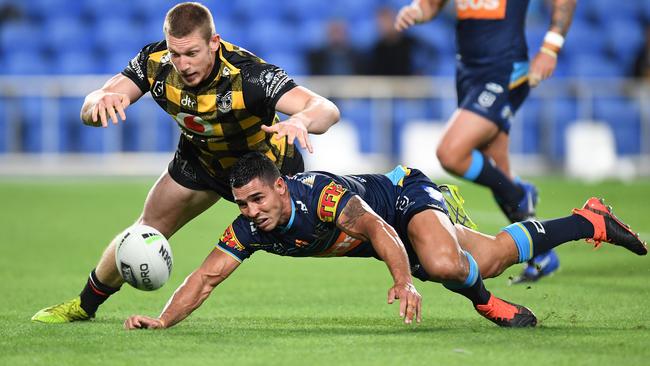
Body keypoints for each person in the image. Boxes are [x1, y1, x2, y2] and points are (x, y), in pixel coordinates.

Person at [31, 2, 340, 323]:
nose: (183, 64)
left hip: (262, 174)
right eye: (175, 54)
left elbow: (325, 108)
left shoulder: (248, 76)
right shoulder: (154, 63)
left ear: (214, 43)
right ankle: (84, 306)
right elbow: (95, 102)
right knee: (144, 229)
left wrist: (301, 120)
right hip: (201, 161)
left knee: (335, 234)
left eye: (192, 53)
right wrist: (98, 104)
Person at [123, 152, 646, 330]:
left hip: (400, 199)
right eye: (243, 204)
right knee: (488, 257)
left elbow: (377, 229)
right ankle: (589, 220)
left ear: (280, 185)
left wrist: (403, 280)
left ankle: (485, 304)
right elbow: (206, 276)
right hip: (385, 232)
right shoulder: (250, 229)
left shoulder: (323, 198)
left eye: (259, 199)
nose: (252, 212)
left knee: (442, 265)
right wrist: (163, 319)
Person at [394, 0, 576, 282]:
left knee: (451, 153)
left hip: (504, 69)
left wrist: (550, 47)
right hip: (467, 72)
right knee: (497, 169)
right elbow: (431, 5)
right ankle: (542, 253)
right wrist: (416, 11)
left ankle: (520, 193)